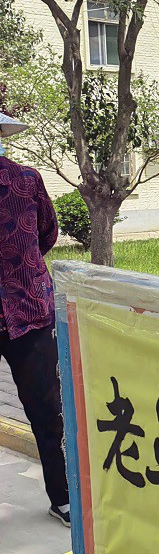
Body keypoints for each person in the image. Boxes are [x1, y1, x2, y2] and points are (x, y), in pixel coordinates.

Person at [0, 113, 70, 525]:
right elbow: (47, 236)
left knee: (47, 410)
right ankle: (62, 499)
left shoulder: (25, 181)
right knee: (47, 411)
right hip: (29, 307)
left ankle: (62, 496)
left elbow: (46, 232)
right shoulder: (27, 180)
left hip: (28, 312)